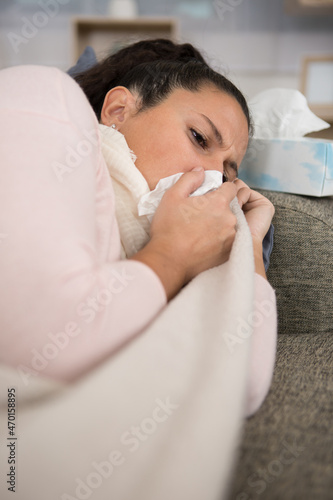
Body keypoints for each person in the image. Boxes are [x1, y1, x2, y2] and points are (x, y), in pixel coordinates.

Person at [0, 39, 276, 415]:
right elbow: (35, 347)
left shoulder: (175, 241)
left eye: (229, 172)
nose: (212, 176)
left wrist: (249, 243)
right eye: (199, 138)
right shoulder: (46, 97)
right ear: (118, 110)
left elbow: (242, 384)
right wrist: (171, 256)